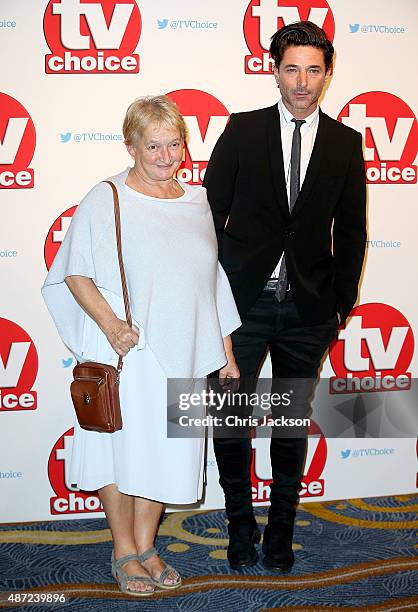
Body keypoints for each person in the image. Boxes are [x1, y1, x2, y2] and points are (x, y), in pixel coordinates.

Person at [42, 95, 241, 596]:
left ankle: (147, 546)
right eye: (153, 145)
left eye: (174, 143)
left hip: (188, 350)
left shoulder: (196, 201)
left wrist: (228, 353)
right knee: (120, 449)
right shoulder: (106, 196)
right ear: (130, 145)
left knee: (170, 452)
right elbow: (74, 271)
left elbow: (210, 283)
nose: (165, 155)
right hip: (129, 351)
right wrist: (111, 327)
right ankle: (123, 550)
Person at [203, 21, 366, 571]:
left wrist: (340, 303)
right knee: (230, 419)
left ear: (327, 74)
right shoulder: (243, 130)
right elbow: (208, 217)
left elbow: (351, 231)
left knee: (289, 423)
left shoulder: (346, 143)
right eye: (291, 68)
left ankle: (280, 532)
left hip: (308, 310)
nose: (302, 81)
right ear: (274, 71)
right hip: (240, 308)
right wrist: (213, 297)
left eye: (313, 70)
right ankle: (239, 526)